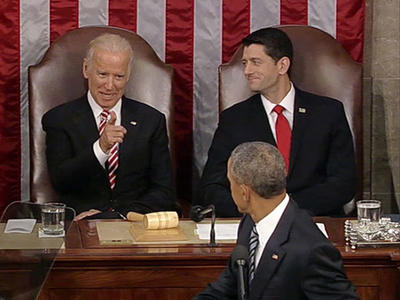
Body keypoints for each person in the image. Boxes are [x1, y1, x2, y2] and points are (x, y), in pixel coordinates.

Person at [197, 27, 356, 217]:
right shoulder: (234, 119)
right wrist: (258, 211)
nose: (247, 71)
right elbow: (211, 186)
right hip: (253, 223)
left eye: (256, 62)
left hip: (315, 221)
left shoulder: (328, 112)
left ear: (282, 65)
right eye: (245, 63)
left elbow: (343, 183)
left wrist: (285, 210)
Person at [194, 142, 359, 300]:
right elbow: (229, 284)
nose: (230, 189)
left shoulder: (311, 250)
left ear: (245, 193)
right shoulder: (250, 224)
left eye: (230, 182)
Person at [42, 33, 176, 220]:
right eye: (103, 74)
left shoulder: (151, 121)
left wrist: (118, 215)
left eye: (119, 76)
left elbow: (163, 190)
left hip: (133, 224)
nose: (110, 85)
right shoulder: (59, 119)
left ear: (128, 75)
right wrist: (100, 148)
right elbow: (61, 181)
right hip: (81, 225)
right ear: (86, 69)